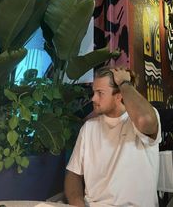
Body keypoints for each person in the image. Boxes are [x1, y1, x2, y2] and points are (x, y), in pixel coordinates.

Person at [65, 66, 161, 207]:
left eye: (100, 93)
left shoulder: (140, 121)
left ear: (119, 95)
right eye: (94, 92)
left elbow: (144, 120)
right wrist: (78, 203)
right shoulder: (88, 128)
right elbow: (73, 175)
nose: (93, 98)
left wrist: (124, 83)